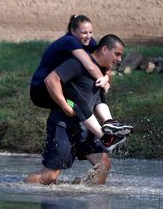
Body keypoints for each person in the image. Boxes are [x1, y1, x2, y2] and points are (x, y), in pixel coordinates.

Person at [25, 34, 126, 185]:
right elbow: (51, 80)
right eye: (117, 54)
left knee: (103, 165)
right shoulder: (78, 63)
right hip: (62, 126)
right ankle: (15, 187)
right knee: (49, 176)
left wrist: (109, 123)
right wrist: (65, 106)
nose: (119, 59)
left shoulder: (100, 72)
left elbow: (98, 101)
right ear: (105, 49)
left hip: (85, 128)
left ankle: (85, 196)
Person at [30, 14, 132, 138]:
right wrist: (66, 107)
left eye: (90, 32)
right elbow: (90, 65)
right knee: (75, 96)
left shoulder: (89, 41)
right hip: (40, 89)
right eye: (84, 32)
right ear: (72, 31)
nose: (88, 36)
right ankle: (103, 137)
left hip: (59, 82)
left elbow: (100, 61)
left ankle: (110, 123)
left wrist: (105, 77)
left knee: (93, 85)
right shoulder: (70, 40)